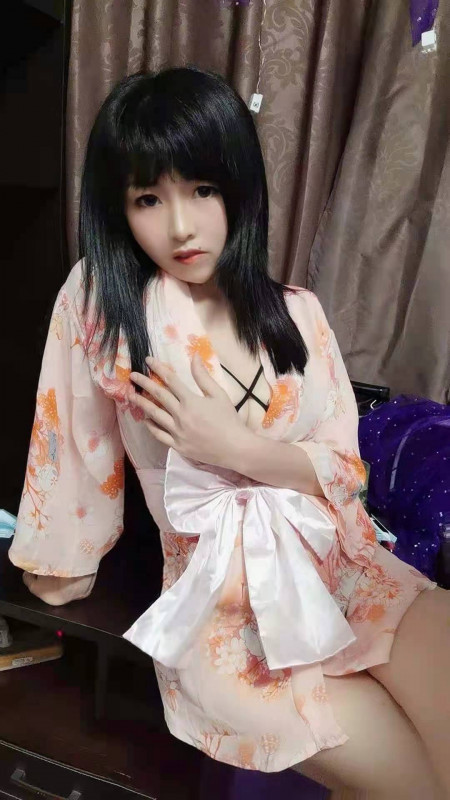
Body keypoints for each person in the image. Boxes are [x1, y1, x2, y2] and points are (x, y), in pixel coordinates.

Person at [9, 66, 449, 798]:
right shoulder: (108, 302)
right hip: (229, 617)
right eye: (149, 199)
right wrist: (61, 565)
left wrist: (238, 449)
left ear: (238, 188)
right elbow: (71, 446)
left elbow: (346, 472)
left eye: (203, 189)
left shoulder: (299, 313)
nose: (181, 226)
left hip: (347, 573)